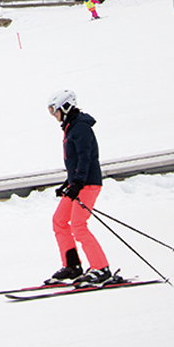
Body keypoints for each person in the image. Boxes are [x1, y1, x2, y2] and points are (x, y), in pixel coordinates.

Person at [45, 89, 113, 286]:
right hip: (78, 183)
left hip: (88, 184)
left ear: (66, 107)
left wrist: (78, 183)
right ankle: (72, 266)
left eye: (54, 110)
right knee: (59, 221)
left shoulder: (81, 128)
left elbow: (86, 158)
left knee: (78, 225)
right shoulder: (71, 128)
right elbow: (75, 162)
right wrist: (68, 183)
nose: (53, 115)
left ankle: (101, 268)